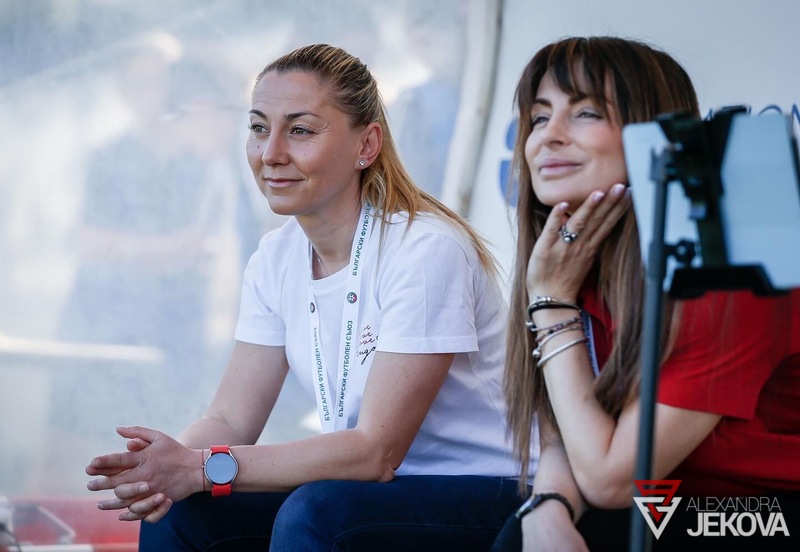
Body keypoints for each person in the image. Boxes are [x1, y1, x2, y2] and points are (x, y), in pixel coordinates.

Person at [86, 43, 532, 551]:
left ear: (367, 145)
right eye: (259, 128)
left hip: (494, 493)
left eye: (300, 130)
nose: (271, 153)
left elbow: (375, 453)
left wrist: (201, 467)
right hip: (375, 494)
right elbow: (230, 420)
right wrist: (165, 467)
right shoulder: (275, 258)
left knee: (316, 512)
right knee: (181, 513)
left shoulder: (425, 250)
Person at [491, 36, 800, 551]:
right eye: (539, 118)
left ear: (653, 134)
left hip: (768, 509)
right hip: (664, 497)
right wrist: (548, 506)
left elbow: (613, 481)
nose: (549, 136)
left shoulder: (723, 273)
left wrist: (550, 304)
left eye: (586, 113)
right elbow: (566, 427)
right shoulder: (568, 261)